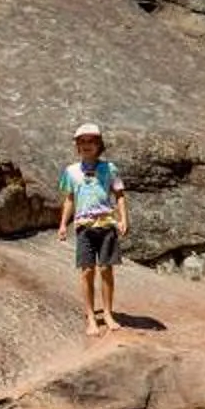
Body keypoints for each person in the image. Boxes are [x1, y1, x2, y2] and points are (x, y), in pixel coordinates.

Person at [58, 121, 127, 335]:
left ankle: (107, 312)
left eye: (91, 141)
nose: (87, 145)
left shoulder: (109, 168)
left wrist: (123, 219)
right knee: (87, 271)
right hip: (84, 227)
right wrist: (62, 224)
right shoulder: (71, 171)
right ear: (77, 146)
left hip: (106, 225)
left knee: (106, 269)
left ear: (99, 144)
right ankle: (90, 316)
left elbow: (119, 194)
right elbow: (69, 199)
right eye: (82, 142)